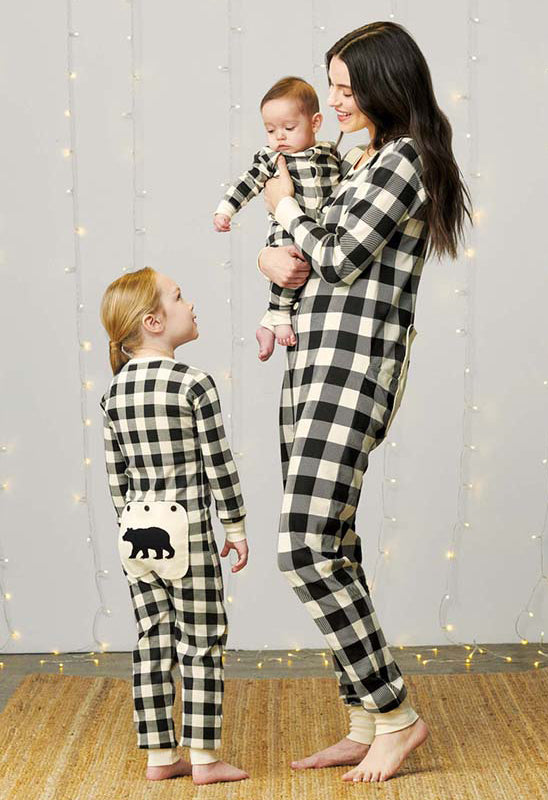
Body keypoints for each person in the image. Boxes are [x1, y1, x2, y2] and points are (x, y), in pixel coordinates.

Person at [258, 21, 472, 783]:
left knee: (304, 546)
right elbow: (315, 255)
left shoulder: (405, 162)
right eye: (334, 87)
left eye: (348, 88)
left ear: (386, 85)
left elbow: (341, 255)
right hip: (314, 364)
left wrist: (284, 213)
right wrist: (273, 255)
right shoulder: (361, 156)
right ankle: (363, 719)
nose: (336, 101)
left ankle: (398, 713)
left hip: (354, 371)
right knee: (335, 542)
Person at [98, 267, 250, 785]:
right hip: (186, 533)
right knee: (203, 640)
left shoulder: (114, 394)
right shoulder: (194, 385)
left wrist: (127, 523)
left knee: (152, 638)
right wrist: (235, 526)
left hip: (136, 535)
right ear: (154, 321)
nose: (190, 305)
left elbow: (115, 475)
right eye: (180, 298)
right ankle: (205, 759)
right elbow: (219, 464)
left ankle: (160, 756)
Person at [213, 76, 341, 362]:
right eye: (271, 130)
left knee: (307, 273)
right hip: (287, 229)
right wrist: (226, 209)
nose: (279, 136)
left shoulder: (329, 154)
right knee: (288, 263)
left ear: (315, 123)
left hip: (319, 232)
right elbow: (247, 182)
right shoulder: (272, 158)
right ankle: (279, 314)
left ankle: (266, 324)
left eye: (288, 128)